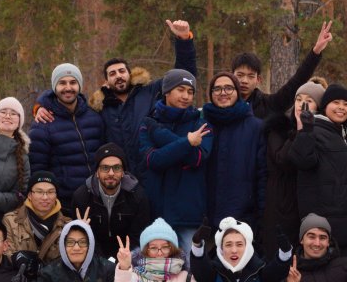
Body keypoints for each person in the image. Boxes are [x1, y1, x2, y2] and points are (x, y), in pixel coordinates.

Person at [84, 20, 197, 183]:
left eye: (122, 71)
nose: (118, 75)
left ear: (130, 74)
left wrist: (184, 40)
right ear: (106, 81)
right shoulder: (100, 108)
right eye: (112, 74)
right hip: (120, 181)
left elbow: (183, 75)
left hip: (154, 175)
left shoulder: (150, 92)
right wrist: (45, 104)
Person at [289, 84, 347, 262]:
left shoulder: (342, 136)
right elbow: (302, 160)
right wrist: (305, 132)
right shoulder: (316, 130)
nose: (341, 107)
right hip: (330, 233)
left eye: (346, 104)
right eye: (336, 102)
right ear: (324, 106)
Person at [138, 69, 213, 249]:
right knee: (159, 266)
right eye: (181, 90)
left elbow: (197, 158)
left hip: (189, 214)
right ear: (166, 91)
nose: (186, 96)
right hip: (157, 214)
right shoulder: (148, 123)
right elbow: (153, 160)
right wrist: (187, 142)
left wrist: (160, 136)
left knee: (191, 265)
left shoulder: (201, 124)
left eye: (190, 92)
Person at [260, 80, 325, 261]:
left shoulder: (322, 133)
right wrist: (300, 131)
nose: (302, 105)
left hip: (308, 204)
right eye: (298, 99)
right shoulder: (278, 128)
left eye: (309, 101)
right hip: (279, 203)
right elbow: (282, 160)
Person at [28, 63, 104, 214]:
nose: (68, 88)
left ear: (79, 85)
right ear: (54, 87)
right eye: (62, 83)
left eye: (73, 82)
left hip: (99, 198)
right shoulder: (42, 124)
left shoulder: (94, 116)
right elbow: (37, 171)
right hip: (66, 204)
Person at [202, 72, 267, 230]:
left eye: (228, 88)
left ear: (237, 92)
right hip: (205, 217)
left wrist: (261, 216)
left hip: (243, 219)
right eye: (217, 89)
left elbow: (263, 174)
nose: (223, 93)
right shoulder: (202, 125)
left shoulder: (256, 127)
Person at [230, 21, 332, 120]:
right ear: (231, 76)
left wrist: (316, 52)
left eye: (251, 76)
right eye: (240, 75)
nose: (244, 81)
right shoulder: (223, 103)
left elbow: (297, 82)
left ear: (258, 80)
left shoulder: (269, 105)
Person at [70, 143, 152, 259]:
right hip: (94, 256)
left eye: (117, 168)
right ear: (97, 172)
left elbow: (138, 236)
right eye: (105, 168)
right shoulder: (81, 197)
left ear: (123, 172)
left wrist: (123, 260)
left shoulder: (137, 196)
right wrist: (103, 264)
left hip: (128, 255)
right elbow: (81, 237)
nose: (111, 173)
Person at [3, 171, 71, 264]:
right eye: (39, 192)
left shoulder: (67, 225)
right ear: (29, 195)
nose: (45, 197)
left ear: (56, 196)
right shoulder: (11, 220)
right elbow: (7, 254)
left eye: (50, 192)